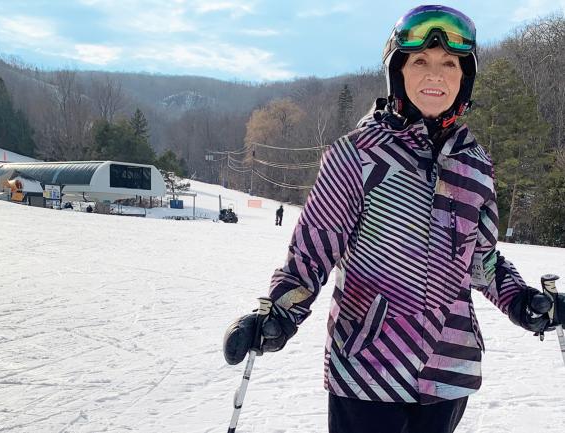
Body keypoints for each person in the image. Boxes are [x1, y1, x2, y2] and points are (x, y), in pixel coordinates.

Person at [223, 5, 565, 433]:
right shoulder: (357, 155)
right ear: (398, 70)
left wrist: (522, 300)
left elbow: (483, 261)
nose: (435, 75)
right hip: (368, 371)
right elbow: (312, 253)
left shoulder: (475, 164)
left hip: (448, 370)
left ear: (465, 77)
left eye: (449, 64)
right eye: (420, 61)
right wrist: (279, 313)